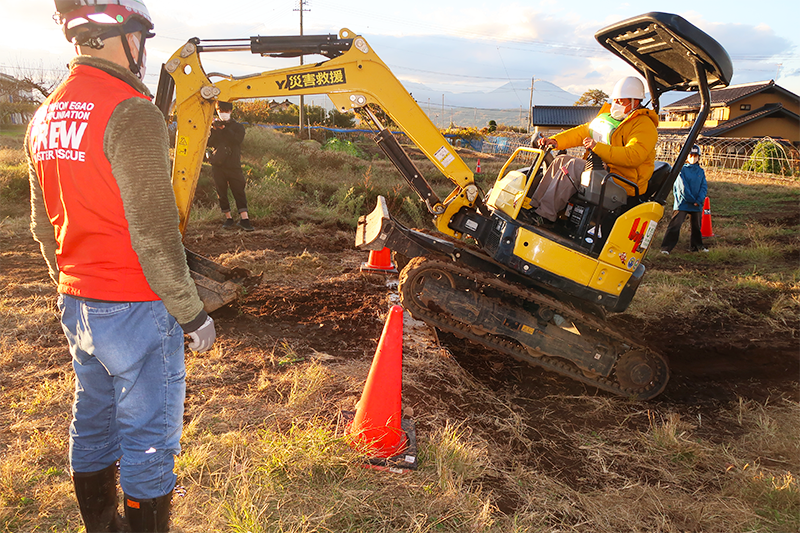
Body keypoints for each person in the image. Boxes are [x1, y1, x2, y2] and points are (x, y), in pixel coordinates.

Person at [26, 1, 216, 531]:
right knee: (148, 437)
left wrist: (67, 286)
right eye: (142, 36)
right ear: (124, 35)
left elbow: (43, 227)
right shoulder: (130, 111)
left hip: (78, 300)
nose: (144, 49)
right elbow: (154, 234)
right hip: (134, 304)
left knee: (93, 420)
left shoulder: (46, 115)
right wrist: (192, 313)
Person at [531, 76, 660, 222]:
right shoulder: (610, 118)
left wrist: (597, 148)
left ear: (635, 101)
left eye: (621, 101)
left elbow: (633, 156)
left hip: (622, 180)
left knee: (572, 166)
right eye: (615, 100)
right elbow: (583, 132)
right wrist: (555, 141)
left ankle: (545, 216)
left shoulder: (643, 125)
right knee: (560, 160)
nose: (616, 104)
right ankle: (535, 206)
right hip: (603, 170)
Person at [207, 101, 253, 231]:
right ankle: (228, 218)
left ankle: (245, 219)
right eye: (221, 110)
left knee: (239, 190)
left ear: (231, 111)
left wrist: (224, 129)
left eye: (226, 111)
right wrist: (213, 130)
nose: (223, 113)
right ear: (217, 111)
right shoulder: (215, 126)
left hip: (233, 165)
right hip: (218, 164)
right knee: (221, 192)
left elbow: (237, 140)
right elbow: (210, 143)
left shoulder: (238, 127)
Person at [659, 144, 709, 254]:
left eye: (696, 155)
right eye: (691, 155)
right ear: (687, 156)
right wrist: (692, 200)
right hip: (683, 203)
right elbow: (682, 188)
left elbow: (703, 187)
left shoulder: (700, 171)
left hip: (697, 204)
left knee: (697, 227)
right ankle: (666, 248)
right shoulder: (681, 170)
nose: (693, 157)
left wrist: (699, 200)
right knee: (675, 226)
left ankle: (697, 247)